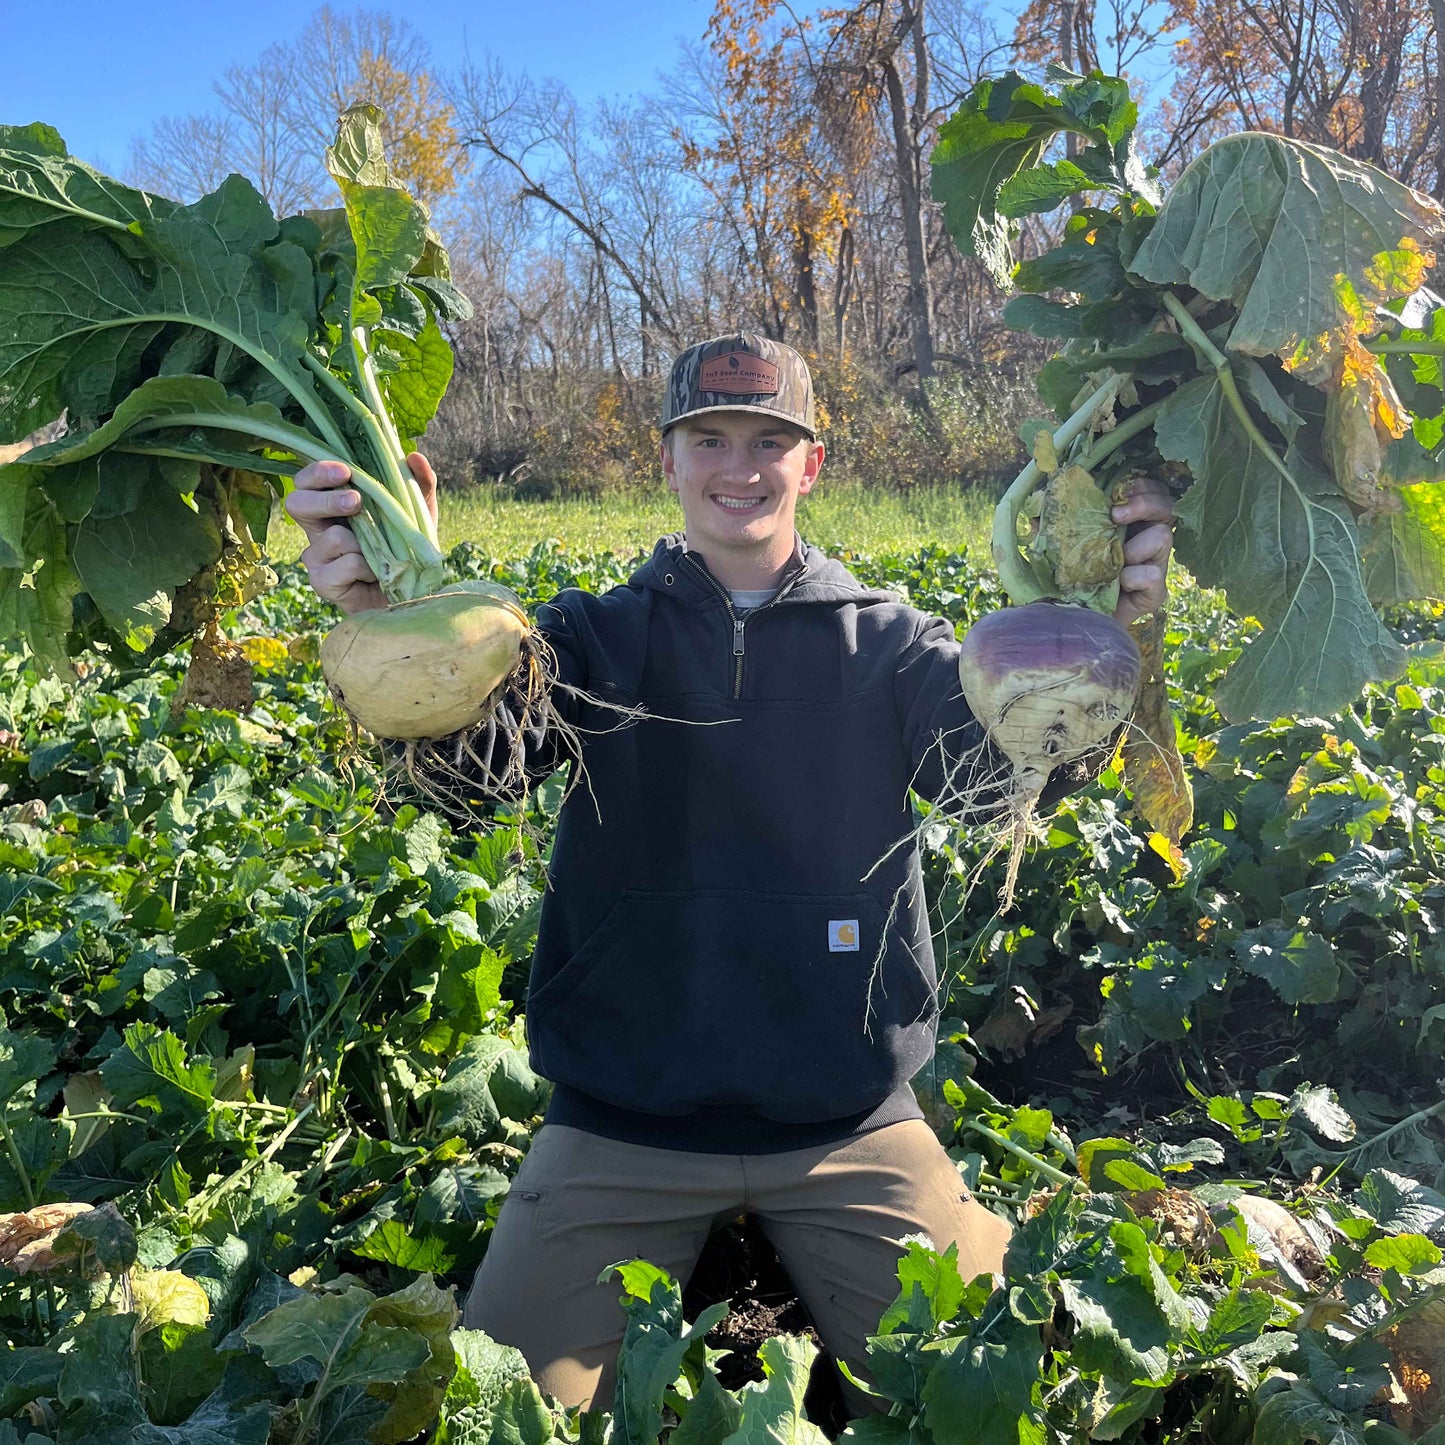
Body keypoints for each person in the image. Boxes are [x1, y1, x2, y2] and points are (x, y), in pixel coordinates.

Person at [285, 334, 1175, 1412]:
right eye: (708, 437)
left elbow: (995, 779)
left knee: (980, 1396)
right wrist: (379, 613)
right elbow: (468, 781)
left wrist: (1104, 635)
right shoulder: (582, 636)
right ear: (667, 459)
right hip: (619, 1121)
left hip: (848, 1121)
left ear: (811, 464)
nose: (737, 467)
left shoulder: (892, 644)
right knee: (506, 1414)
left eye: (769, 440)